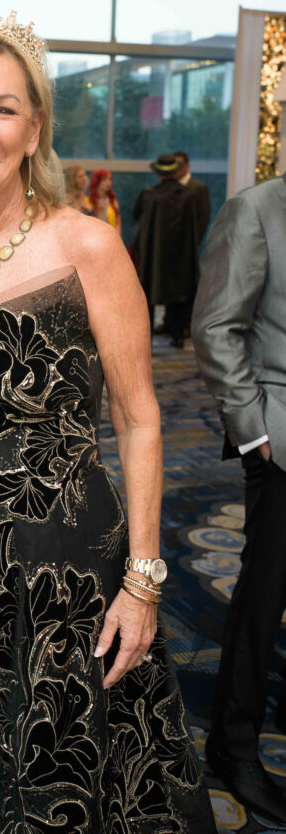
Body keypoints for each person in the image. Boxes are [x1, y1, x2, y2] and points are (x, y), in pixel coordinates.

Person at [0, 8, 215, 833]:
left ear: (35, 128)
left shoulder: (87, 247)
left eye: (4, 108)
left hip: (69, 567)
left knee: (64, 775)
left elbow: (142, 419)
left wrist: (144, 582)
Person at [191, 174, 286, 826]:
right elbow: (217, 325)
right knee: (264, 599)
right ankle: (234, 744)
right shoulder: (257, 210)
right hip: (281, 442)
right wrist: (256, 433)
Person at [133, 154, 200, 348]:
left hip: (153, 256)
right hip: (180, 257)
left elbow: (135, 214)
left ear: (159, 174)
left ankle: (147, 339)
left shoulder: (149, 195)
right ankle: (177, 337)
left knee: (149, 298)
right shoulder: (189, 195)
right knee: (178, 297)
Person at [174, 150, 211, 242]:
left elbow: (204, 217)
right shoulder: (168, 187)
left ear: (187, 166)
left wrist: (195, 241)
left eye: (180, 164)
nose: (177, 168)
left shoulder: (199, 188)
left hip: (190, 240)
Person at [88, 167, 121, 234]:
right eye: (104, 179)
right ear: (96, 181)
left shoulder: (113, 201)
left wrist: (117, 236)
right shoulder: (87, 201)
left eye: (110, 179)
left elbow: (118, 222)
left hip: (111, 237)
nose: (108, 182)